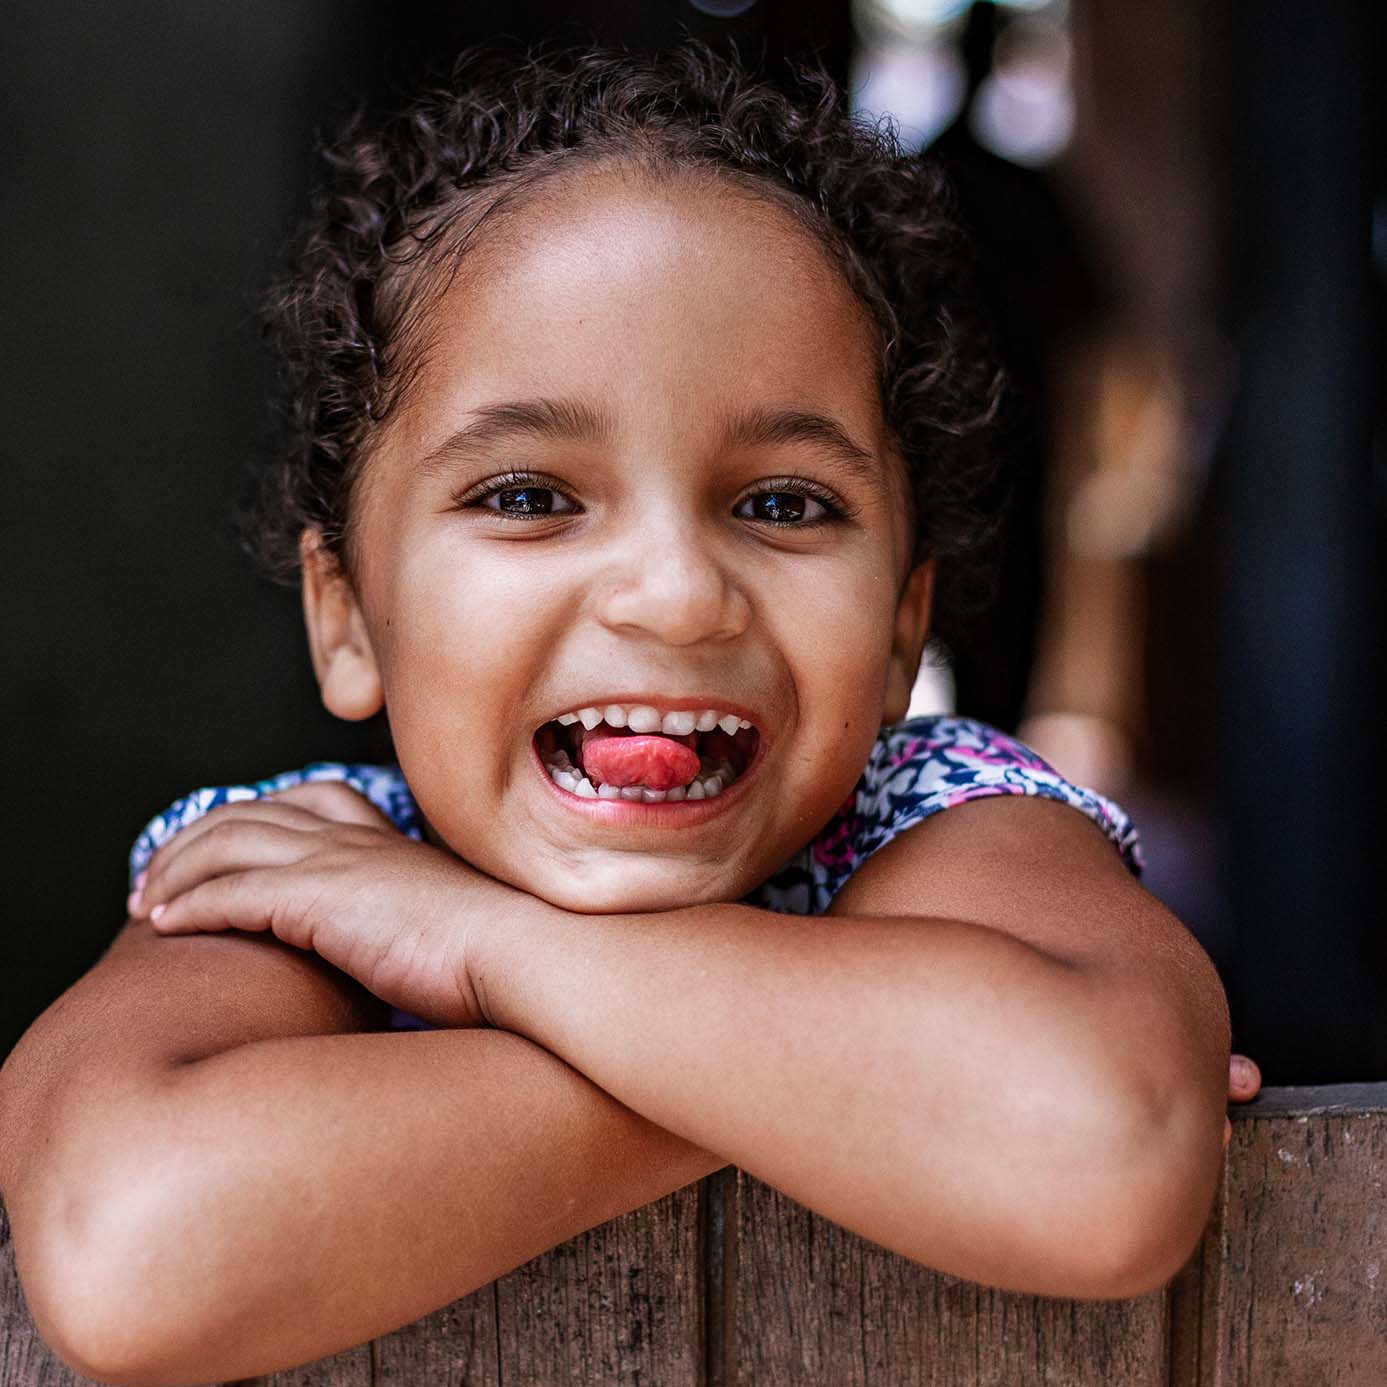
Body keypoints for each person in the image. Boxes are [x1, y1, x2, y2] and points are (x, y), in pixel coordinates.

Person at [0, 45, 1257, 1384]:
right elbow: (132, 1254)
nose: (673, 594)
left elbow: (1089, 1154)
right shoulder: (307, 874)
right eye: (530, 494)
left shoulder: (938, 822)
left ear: (901, 627)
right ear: (349, 617)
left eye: (784, 503)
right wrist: (856, 1102)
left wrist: (487, 948)